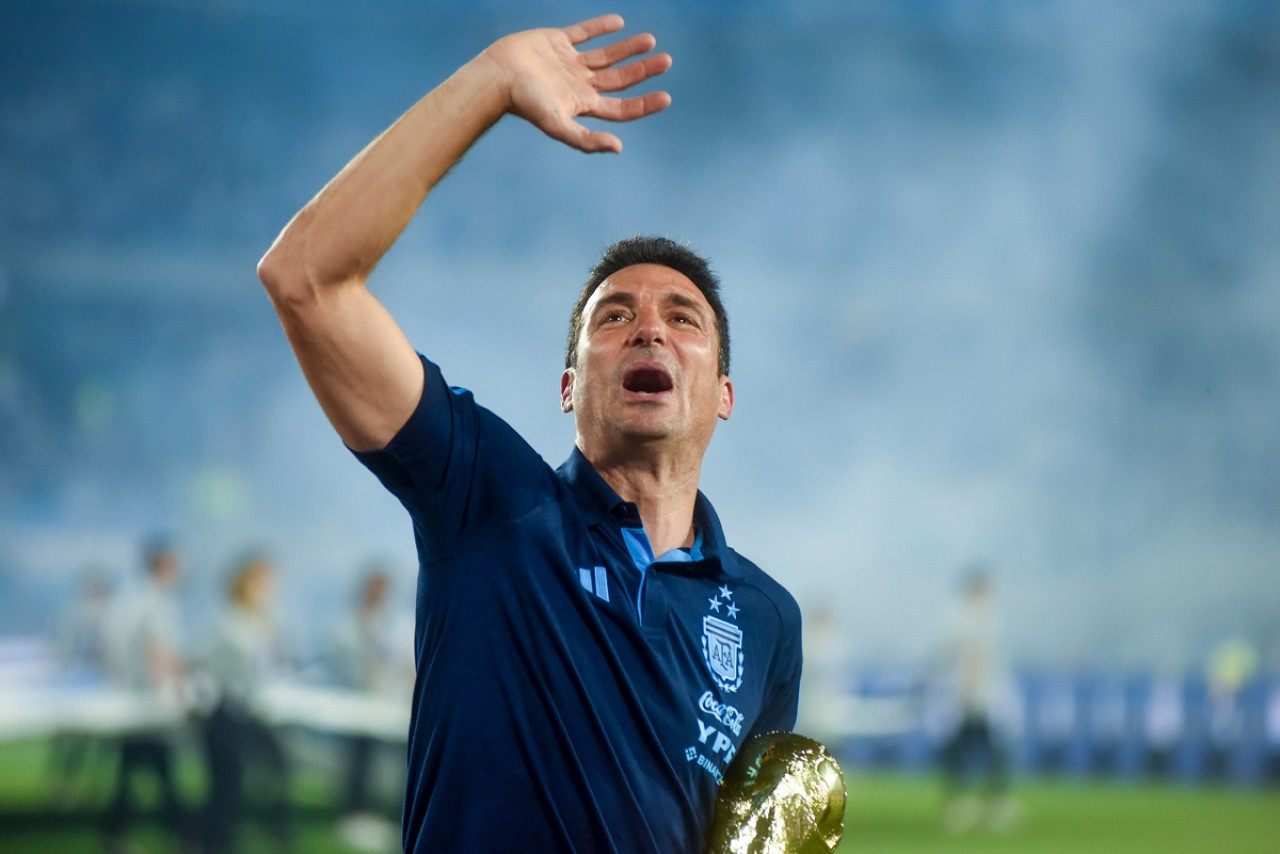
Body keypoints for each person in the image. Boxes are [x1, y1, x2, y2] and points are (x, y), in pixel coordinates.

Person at [257, 14, 803, 853]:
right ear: (568, 386)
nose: (649, 330)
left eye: (682, 317)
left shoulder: (769, 621)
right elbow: (306, 279)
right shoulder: (489, 500)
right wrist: (493, 80)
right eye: (613, 318)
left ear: (723, 392)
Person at [198, 552, 294, 854]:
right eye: (262, 581)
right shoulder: (230, 624)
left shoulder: (265, 623)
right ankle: (214, 843)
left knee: (275, 766)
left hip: (248, 714)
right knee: (226, 789)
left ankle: (274, 830)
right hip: (225, 714)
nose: (269, 588)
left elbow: (277, 666)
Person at [101, 537, 191, 854]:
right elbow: (157, 649)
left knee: (139, 767)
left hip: (135, 696)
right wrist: (172, 687)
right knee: (155, 765)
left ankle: (122, 833)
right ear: (163, 564)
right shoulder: (154, 599)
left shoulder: (133, 596)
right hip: (147, 700)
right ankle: (180, 833)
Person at [937, 568, 1018, 833]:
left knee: (986, 748)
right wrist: (968, 690)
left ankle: (982, 801)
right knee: (970, 747)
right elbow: (967, 655)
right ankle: (973, 802)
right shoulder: (967, 617)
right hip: (970, 693)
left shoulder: (984, 616)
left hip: (985, 693)